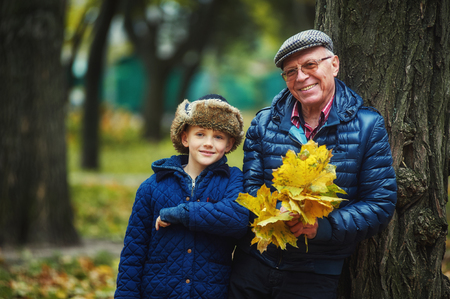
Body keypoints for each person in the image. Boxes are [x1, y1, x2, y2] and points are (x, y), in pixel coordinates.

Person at [228, 29, 397, 299]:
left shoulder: (367, 126)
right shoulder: (263, 123)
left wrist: (323, 227)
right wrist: (274, 212)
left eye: (310, 65)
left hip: (315, 272)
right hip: (253, 264)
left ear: (334, 64)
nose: (301, 77)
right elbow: (250, 188)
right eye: (291, 71)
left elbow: (380, 203)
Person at [114, 94, 249, 299]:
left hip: (211, 293)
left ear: (229, 144)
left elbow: (237, 219)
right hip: (158, 293)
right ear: (185, 138)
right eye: (200, 134)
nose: (209, 143)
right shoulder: (153, 186)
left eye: (219, 137)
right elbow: (133, 253)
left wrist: (181, 213)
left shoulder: (233, 180)